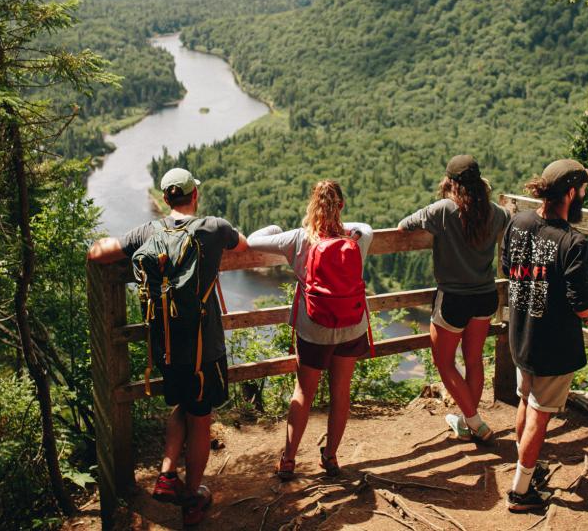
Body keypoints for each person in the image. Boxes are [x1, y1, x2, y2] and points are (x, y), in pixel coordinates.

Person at [87, 167, 248, 527]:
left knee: (182, 403)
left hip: (165, 347)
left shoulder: (148, 231)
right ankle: (193, 498)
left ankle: (166, 474)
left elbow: (98, 253)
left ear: (164, 199)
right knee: (201, 416)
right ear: (195, 196)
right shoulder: (213, 228)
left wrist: (91, 252)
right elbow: (245, 245)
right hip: (203, 349)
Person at [247, 180, 373, 480]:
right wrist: (337, 217)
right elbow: (364, 224)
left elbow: (251, 240)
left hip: (314, 328)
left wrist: (276, 228)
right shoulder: (359, 236)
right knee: (341, 391)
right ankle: (330, 457)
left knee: (303, 391)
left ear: (312, 206)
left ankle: (289, 460)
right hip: (351, 325)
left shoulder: (298, 239)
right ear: (341, 205)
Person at [500, 159, 588, 512]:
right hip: (552, 345)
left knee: (525, 402)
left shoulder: (518, 222)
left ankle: (527, 471)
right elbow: (581, 305)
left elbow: (507, 268)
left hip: (521, 335)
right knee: (539, 415)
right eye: (584, 190)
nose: (585, 195)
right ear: (571, 193)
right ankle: (520, 492)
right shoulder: (574, 243)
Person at [398, 154, 510, 442]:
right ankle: (466, 422)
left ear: (450, 182)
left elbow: (403, 226)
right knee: (473, 361)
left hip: (453, 301)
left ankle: (475, 423)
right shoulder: (495, 212)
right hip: (485, 296)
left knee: (445, 364)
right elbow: (508, 218)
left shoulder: (443, 210)